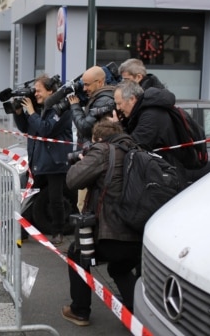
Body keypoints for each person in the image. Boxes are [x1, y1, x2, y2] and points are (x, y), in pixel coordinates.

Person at [62, 119, 142, 327]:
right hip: (138, 229)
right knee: (120, 268)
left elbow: (73, 180)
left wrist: (82, 160)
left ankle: (79, 311)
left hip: (112, 231)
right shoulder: (134, 148)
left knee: (76, 253)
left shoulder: (102, 150)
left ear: (98, 139)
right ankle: (137, 316)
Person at [13, 74, 73, 245]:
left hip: (55, 162)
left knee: (55, 199)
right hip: (37, 159)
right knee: (27, 197)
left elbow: (45, 129)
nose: (36, 94)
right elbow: (26, 127)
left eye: (39, 91)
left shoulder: (61, 109)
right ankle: (22, 231)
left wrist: (31, 111)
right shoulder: (39, 108)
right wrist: (19, 113)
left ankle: (58, 232)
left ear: (50, 91)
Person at [112, 79, 188, 186]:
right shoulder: (142, 112)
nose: (118, 108)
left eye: (119, 103)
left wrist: (117, 127)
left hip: (167, 179)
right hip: (160, 174)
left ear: (132, 99)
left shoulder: (151, 115)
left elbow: (134, 145)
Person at [67, 65, 117, 214]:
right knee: (84, 203)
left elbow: (84, 127)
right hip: (95, 155)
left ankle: (86, 236)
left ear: (100, 82)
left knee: (84, 205)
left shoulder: (103, 100)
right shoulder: (98, 98)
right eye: (83, 84)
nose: (84, 88)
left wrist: (75, 106)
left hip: (96, 157)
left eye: (87, 84)